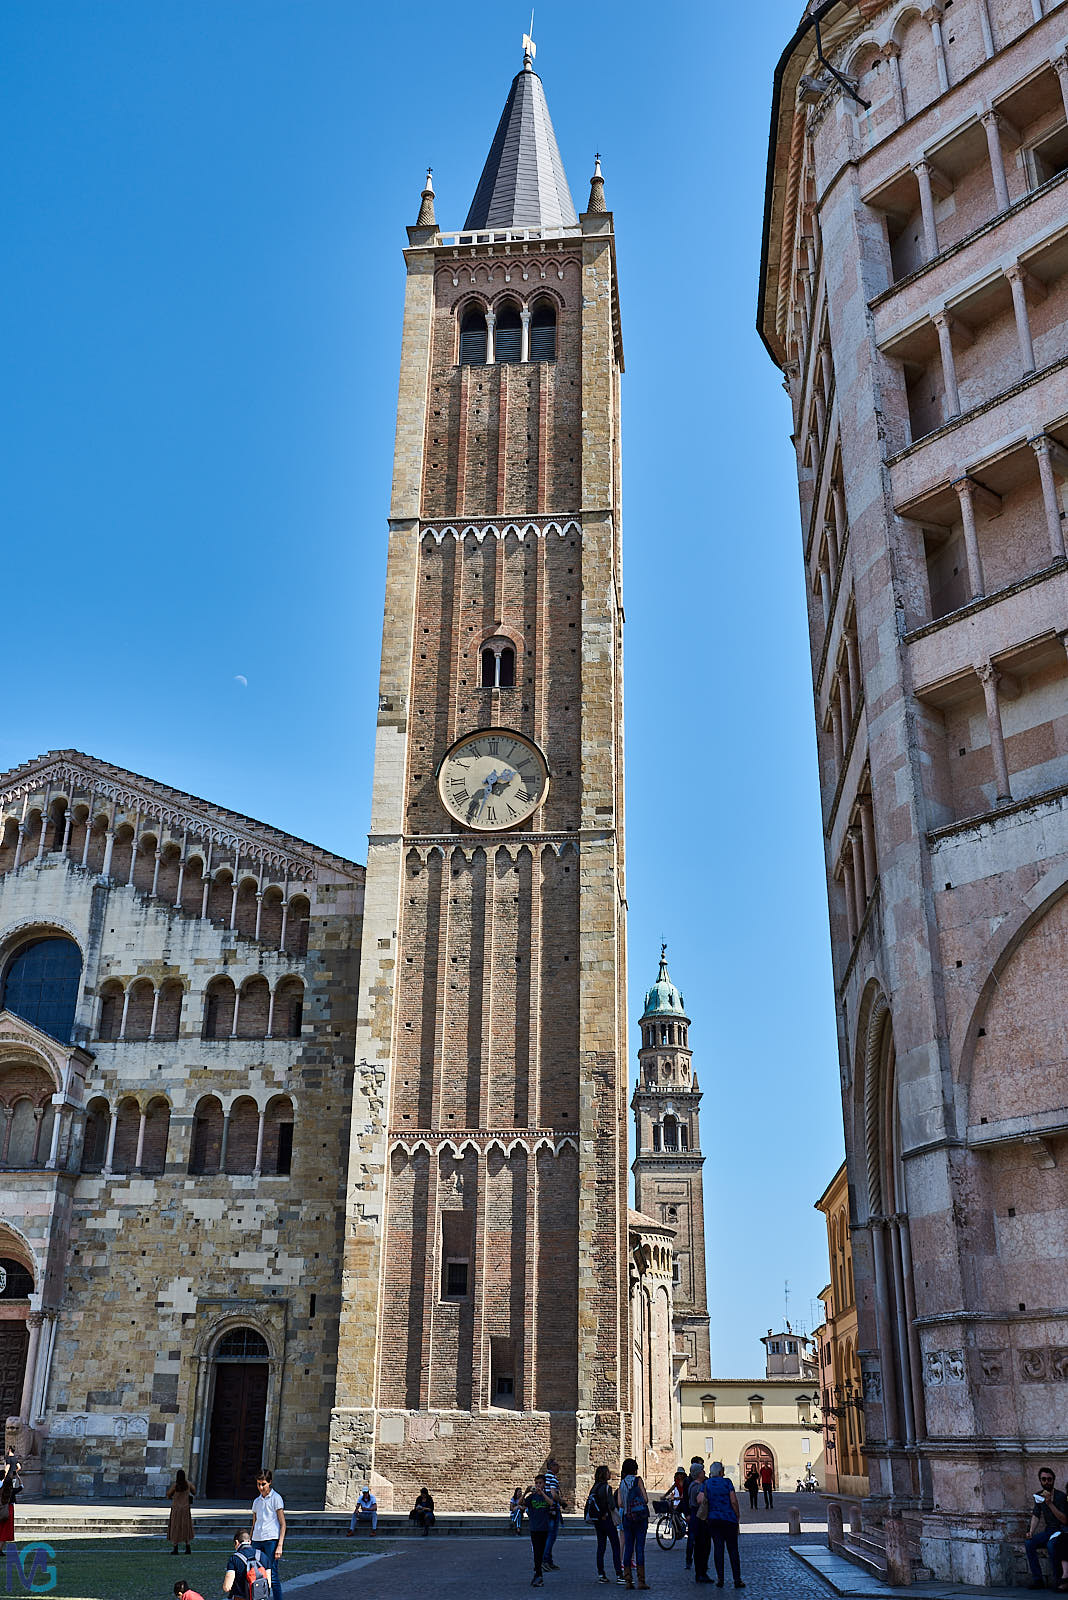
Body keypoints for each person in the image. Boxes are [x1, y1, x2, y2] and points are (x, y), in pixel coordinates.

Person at [700, 1461, 744, 1590]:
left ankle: (720, 1579)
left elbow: (700, 1499)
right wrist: (737, 1514)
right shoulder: (727, 1482)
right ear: (721, 1472)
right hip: (729, 1519)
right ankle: (737, 1579)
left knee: (718, 1549)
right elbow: (733, 1501)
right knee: (733, 1550)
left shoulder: (707, 1483)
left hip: (713, 1519)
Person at [1025, 1467, 1068, 1589]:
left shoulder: (1061, 1497)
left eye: (1049, 1479)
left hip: (1061, 1531)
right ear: (1040, 1480)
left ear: (1053, 1480)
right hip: (1049, 1531)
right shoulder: (1039, 1496)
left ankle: (1059, 1580)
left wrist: (1049, 1503)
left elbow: (1064, 1520)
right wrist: (1031, 1531)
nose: (1046, 1482)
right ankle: (1038, 1580)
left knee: (1051, 1545)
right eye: (1043, 1479)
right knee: (1029, 1543)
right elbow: (1036, 1515)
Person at [251, 1469, 286, 1598]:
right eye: (258, 1484)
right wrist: (250, 1541)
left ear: (270, 1482)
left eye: (263, 1484)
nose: (261, 1487)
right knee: (256, 1574)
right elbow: (254, 1523)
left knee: (272, 1575)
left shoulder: (276, 1498)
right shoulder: (257, 1501)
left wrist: (280, 1545)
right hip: (256, 1540)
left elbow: (283, 1524)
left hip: (271, 1540)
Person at [617, 1456, 650, 1591]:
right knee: (639, 1548)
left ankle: (628, 1580)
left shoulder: (622, 1483)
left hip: (627, 1518)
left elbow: (620, 1503)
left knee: (628, 1548)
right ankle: (641, 1581)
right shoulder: (638, 1480)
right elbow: (646, 1499)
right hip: (640, 1518)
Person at [587, 1464, 624, 1585]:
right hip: (607, 1520)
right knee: (615, 1546)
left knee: (601, 1547)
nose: (610, 1474)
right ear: (604, 1474)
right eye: (608, 1472)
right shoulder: (607, 1488)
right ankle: (619, 1574)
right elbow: (611, 1505)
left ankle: (601, 1574)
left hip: (598, 1521)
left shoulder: (594, 1488)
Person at [523, 1474, 555, 1588]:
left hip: (544, 1528)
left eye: (540, 1483)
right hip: (534, 1528)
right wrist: (526, 1492)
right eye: (536, 1483)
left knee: (540, 1552)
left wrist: (543, 1494)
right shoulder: (532, 1497)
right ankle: (538, 1574)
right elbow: (520, 1503)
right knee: (537, 1552)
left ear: (544, 1484)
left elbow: (551, 1503)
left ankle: (538, 1573)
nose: (538, 1485)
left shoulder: (547, 1495)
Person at [222, 1530, 269, 1597]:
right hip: (259, 1597)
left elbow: (227, 1587)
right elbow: (269, 1583)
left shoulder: (234, 1558)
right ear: (250, 1541)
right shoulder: (263, 1555)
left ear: (237, 1542)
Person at [166, 1468, 196, 1556]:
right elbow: (194, 1491)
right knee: (186, 1527)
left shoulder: (175, 1486)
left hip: (176, 1509)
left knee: (176, 1527)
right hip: (185, 1509)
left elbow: (168, 1494)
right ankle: (187, 1546)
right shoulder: (188, 1484)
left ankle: (175, 1547)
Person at [542, 1457, 564, 1570]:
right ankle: (545, 1560)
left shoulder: (545, 1477)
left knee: (549, 1536)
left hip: (546, 1510)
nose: (558, 1467)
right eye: (556, 1465)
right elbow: (553, 1494)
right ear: (551, 1467)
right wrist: (562, 1502)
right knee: (551, 1536)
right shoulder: (552, 1478)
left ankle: (549, 1561)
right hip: (553, 1510)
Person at [685, 1458, 707, 1571]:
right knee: (697, 1541)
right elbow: (698, 1502)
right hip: (697, 1515)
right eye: (702, 1471)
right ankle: (699, 1566)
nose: (704, 1472)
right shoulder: (696, 1486)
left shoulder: (694, 1484)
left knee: (695, 1539)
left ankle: (699, 1564)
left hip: (695, 1514)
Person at [0, 1451, 21, 1553]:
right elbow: (19, 1467)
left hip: (2, 1507)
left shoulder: (8, 1459)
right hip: (6, 1509)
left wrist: (4, 1477)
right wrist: (14, 1474)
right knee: (5, 1530)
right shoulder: (10, 1491)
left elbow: (7, 1467)